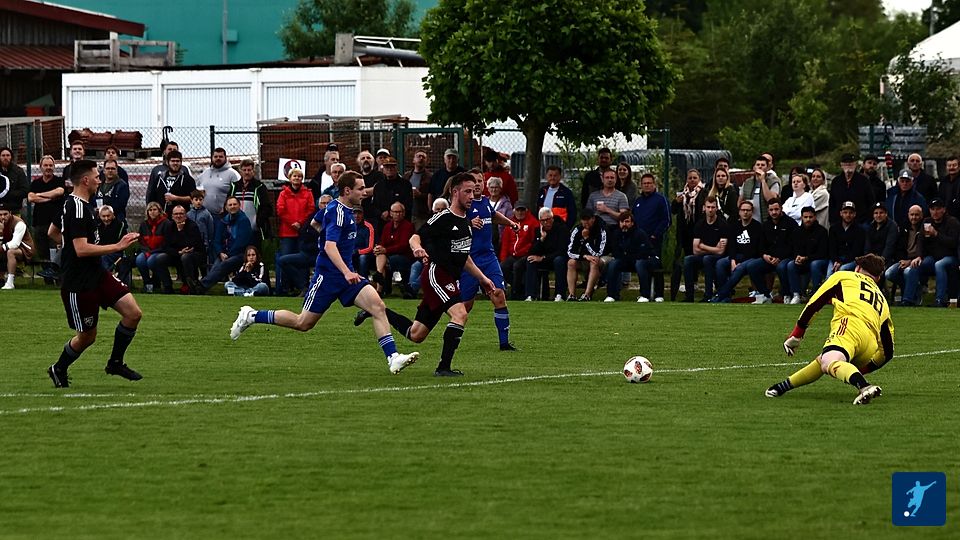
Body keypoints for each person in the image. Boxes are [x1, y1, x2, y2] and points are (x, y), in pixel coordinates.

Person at [229, 171, 420, 375]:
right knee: (303, 323)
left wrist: (343, 264)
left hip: (347, 276)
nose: (365, 192)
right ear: (347, 191)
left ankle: (393, 357)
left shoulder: (339, 208)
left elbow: (315, 223)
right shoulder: (338, 213)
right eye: (360, 188)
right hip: (328, 277)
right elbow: (330, 246)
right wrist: (345, 270)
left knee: (378, 307)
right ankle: (251, 315)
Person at [355, 172, 496, 376]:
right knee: (460, 314)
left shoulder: (466, 222)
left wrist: (483, 278)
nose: (472, 196)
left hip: (449, 278)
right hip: (437, 275)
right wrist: (417, 248)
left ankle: (376, 311)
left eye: (473, 192)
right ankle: (443, 368)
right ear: (454, 192)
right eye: (467, 192)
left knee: (416, 334)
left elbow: (464, 257)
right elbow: (415, 237)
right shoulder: (442, 217)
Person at [46, 159, 144, 388]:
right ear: (85, 180)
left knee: (133, 313)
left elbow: (53, 231)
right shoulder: (77, 209)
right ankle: (58, 368)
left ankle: (115, 363)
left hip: (97, 273)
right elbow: (81, 249)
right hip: (78, 283)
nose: (99, 180)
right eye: (96, 176)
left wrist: (67, 246)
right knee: (88, 337)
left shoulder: (76, 203)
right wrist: (117, 246)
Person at [764, 254, 892, 406]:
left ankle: (864, 387)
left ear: (858, 268)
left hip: (850, 327)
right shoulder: (883, 301)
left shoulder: (843, 276)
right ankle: (781, 387)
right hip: (869, 345)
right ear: (877, 278)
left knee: (828, 361)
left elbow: (814, 304)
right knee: (824, 360)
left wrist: (797, 335)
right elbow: (887, 352)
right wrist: (864, 368)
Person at [709, 201, 767, 303]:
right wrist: (733, 260)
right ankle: (726, 296)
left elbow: (756, 249)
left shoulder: (757, 227)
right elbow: (732, 246)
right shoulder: (734, 226)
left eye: (748, 210)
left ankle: (720, 295)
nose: (745, 212)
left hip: (751, 258)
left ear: (752, 212)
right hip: (736, 256)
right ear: (739, 212)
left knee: (739, 269)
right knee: (720, 263)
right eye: (743, 210)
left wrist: (740, 262)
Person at [194, 196, 252, 294]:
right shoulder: (223, 221)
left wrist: (228, 254)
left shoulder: (244, 221)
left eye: (235, 204)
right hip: (224, 253)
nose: (232, 206)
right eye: (230, 205)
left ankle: (201, 286)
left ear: (239, 206)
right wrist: (220, 252)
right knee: (216, 266)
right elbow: (216, 240)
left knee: (224, 264)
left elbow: (241, 242)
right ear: (226, 207)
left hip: (240, 254)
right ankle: (201, 288)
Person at [275, 167, 316, 295]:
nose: (297, 178)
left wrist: (300, 223)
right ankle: (286, 288)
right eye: (294, 176)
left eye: (299, 176)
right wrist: (293, 223)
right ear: (290, 178)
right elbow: (280, 210)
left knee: (302, 261)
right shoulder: (283, 193)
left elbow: (310, 209)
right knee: (285, 259)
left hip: (303, 233)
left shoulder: (308, 193)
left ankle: (303, 287)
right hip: (287, 232)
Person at [913, 198, 960, 307]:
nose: (935, 212)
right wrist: (919, 256)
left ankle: (940, 300)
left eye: (938, 209)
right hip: (933, 257)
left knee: (939, 264)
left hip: (950, 257)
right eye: (932, 209)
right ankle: (909, 299)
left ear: (944, 210)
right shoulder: (927, 221)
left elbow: (953, 243)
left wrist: (936, 234)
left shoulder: (952, 222)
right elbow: (920, 240)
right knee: (915, 265)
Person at [603, 211, 658, 302]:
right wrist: (625, 256)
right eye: (622, 222)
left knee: (640, 264)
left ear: (632, 223)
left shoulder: (640, 234)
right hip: (625, 260)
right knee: (613, 263)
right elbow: (615, 252)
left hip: (642, 260)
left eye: (627, 221)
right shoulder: (616, 234)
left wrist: (628, 256)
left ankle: (644, 295)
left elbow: (644, 252)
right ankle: (612, 295)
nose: (624, 224)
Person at [28, 155, 66, 280]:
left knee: (55, 250)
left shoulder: (59, 181)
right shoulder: (36, 183)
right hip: (39, 222)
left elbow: (59, 192)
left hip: (55, 224)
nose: (48, 167)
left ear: (54, 167)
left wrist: (39, 195)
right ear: (40, 167)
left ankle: (57, 277)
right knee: (42, 252)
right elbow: (31, 198)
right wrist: (50, 198)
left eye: (50, 165)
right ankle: (47, 280)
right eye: (45, 165)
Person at [682, 196, 727, 302]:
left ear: (716, 208)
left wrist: (703, 246)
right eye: (708, 207)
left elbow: (721, 251)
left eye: (713, 207)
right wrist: (713, 248)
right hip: (704, 255)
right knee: (688, 260)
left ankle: (708, 295)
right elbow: (695, 250)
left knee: (707, 259)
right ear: (704, 208)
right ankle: (689, 297)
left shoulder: (722, 224)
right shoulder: (700, 224)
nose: (710, 210)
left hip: (717, 257)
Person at [156, 204, 206, 294]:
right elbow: (166, 246)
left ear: (185, 215)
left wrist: (181, 230)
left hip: (193, 254)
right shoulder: (169, 226)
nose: (178, 216)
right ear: (172, 216)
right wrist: (178, 252)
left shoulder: (192, 226)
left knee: (185, 257)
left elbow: (191, 245)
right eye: (176, 214)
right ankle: (167, 286)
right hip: (176, 254)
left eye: (181, 214)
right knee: (160, 258)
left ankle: (190, 285)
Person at [524, 207, 570, 301]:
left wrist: (543, 258)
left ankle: (560, 294)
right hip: (544, 259)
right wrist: (541, 239)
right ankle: (531, 295)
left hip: (557, 258)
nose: (546, 222)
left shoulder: (562, 229)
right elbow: (532, 251)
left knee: (559, 260)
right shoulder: (538, 231)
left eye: (548, 219)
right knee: (530, 260)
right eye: (543, 220)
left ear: (552, 218)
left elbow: (562, 250)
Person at [786, 207, 830, 305]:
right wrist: (797, 258)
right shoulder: (797, 231)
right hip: (803, 261)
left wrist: (806, 258)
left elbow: (823, 252)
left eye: (810, 217)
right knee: (790, 265)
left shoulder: (822, 231)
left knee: (814, 264)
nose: (808, 219)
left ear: (815, 217)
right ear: (801, 217)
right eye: (805, 217)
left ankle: (816, 293)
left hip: (819, 260)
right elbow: (793, 249)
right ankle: (796, 295)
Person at [371, 202, 415, 297]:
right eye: (395, 212)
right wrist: (378, 248)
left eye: (400, 212)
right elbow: (382, 242)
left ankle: (379, 285)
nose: (397, 214)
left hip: (404, 256)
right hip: (388, 255)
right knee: (380, 254)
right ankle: (379, 284)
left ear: (404, 213)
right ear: (391, 213)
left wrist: (385, 250)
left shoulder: (408, 226)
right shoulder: (387, 226)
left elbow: (404, 246)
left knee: (385, 259)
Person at [758, 199, 798, 302]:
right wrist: (764, 255)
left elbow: (793, 245)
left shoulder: (790, 223)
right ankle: (765, 294)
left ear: (781, 209)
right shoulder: (765, 225)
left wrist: (779, 258)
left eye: (776, 209)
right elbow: (761, 245)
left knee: (781, 267)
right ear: (768, 211)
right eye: (771, 210)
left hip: (787, 257)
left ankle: (786, 294)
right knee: (752, 266)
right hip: (770, 258)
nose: (774, 212)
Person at [565, 207, 607, 301]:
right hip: (584, 258)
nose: (586, 222)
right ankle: (571, 294)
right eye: (583, 219)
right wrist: (583, 256)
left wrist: (586, 239)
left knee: (594, 261)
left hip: (602, 257)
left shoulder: (601, 229)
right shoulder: (577, 230)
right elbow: (570, 251)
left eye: (588, 219)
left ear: (593, 218)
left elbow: (599, 252)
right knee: (571, 262)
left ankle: (587, 294)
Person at [229, 159, 273, 246]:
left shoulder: (259, 187)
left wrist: (257, 221)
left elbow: (267, 207)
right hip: (237, 229)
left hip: (254, 229)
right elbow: (227, 204)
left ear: (253, 171)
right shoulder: (234, 187)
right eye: (244, 170)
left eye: (249, 170)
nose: (247, 172)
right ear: (240, 171)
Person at [371, 156, 413, 238]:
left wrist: (393, 214)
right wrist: (381, 214)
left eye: (392, 166)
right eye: (387, 167)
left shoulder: (405, 185)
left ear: (396, 168)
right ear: (383, 169)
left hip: (401, 225)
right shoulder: (378, 186)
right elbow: (374, 205)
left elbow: (409, 204)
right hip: (383, 224)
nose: (389, 169)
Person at [147, 150, 196, 217]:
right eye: (173, 161)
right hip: (161, 217)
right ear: (167, 162)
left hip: (179, 217)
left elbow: (193, 198)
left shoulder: (187, 179)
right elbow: (152, 198)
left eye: (177, 161)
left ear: (181, 163)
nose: (175, 163)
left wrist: (176, 198)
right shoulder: (159, 178)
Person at [829, 154, 874, 227]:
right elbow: (832, 204)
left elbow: (871, 202)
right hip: (839, 224)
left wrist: (867, 221)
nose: (848, 165)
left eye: (850, 163)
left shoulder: (864, 181)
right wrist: (833, 222)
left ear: (855, 164)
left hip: (860, 224)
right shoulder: (836, 182)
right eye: (846, 164)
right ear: (841, 165)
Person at [196, 147, 240, 220]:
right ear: (212, 158)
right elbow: (197, 189)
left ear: (225, 158)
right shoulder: (205, 173)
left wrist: (226, 208)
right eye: (215, 157)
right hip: (204, 215)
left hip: (223, 216)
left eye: (221, 157)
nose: (218, 158)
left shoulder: (233, 174)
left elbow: (238, 194)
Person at [135, 202, 168, 293]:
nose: (152, 212)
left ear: (159, 211)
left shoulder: (166, 223)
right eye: (150, 210)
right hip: (146, 250)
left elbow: (166, 242)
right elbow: (141, 241)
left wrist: (152, 252)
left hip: (160, 251)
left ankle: (156, 281)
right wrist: (146, 251)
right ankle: (147, 283)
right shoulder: (144, 224)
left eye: (154, 210)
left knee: (151, 261)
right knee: (140, 260)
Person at [827, 201, 866, 277]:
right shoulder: (834, 229)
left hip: (852, 260)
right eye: (845, 212)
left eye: (851, 213)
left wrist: (841, 262)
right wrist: (836, 261)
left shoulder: (860, 230)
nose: (848, 215)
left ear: (854, 214)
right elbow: (832, 248)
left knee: (842, 270)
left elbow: (856, 251)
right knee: (829, 274)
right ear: (841, 213)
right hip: (836, 259)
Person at [0, 204, 34, 289]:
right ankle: (1, 279)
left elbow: (15, 243)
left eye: (5, 214)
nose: (3, 217)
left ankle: (10, 283)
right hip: (6, 246)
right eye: (0, 215)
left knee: (11, 252)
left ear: (10, 213)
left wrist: (1, 248)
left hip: (25, 249)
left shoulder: (19, 223)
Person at [96, 205, 132, 285]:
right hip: (100, 252)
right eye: (103, 216)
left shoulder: (120, 226)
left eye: (108, 216)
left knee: (104, 258)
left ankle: (105, 282)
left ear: (113, 215)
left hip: (116, 253)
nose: (106, 219)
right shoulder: (97, 226)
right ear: (99, 216)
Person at [739, 155, 780, 223]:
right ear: (754, 167)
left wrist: (763, 180)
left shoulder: (773, 181)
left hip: (767, 220)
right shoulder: (747, 182)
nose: (760, 167)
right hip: (750, 221)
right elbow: (740, 202)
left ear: (767, 168)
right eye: (758, 165)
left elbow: (771, 200)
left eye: (763, 165)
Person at [589, 168, 630, 232]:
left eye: (612, 178)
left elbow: (624, 217)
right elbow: (587, 215)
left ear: (616, 180)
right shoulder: (593, 196)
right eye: (607, 177)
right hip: (596, 229)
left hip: (614, 229)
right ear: (602, 179)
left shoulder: (621, 196)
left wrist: (607, 210)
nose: (609, 180)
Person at [864, 202, 898, 274]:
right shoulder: (871, 226)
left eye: (881, 213)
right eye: (876, 213)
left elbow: (889, 247)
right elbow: (867, 246)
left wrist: (879, 261)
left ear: (886, 214)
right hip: (873, 260)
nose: (878, 215)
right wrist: (868, 260)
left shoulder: (892, 226)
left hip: (887, 260)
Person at [428, 148, 465, 214]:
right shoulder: (437, 175)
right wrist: (431, 209)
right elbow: (431, 193)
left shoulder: (464, 174)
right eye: (449, 158)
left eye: (454, 158)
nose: (451, 160)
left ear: (457, 160)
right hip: (440, 209)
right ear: (444, 159)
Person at [96, 158, 130, 225]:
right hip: (100, 221)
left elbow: (120, 205)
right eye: (108, 168)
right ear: (104, 171)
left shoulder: (122, 185)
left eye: (113, 168)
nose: (110, 171)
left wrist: (104, 209)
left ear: (117, 171)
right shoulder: (98, 184)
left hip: (116, 221)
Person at [405, 150, 432, 229]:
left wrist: (420, 195)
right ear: (413, 160)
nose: (421, 158)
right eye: (418, 156)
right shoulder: (407, 176)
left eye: (423, 157)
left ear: (427, 161)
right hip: (408, 214)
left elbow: (432, 195)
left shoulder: (430, 177)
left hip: (422, 215)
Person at [187, 190, 215, 260]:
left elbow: (210, 229)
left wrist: (208, 241)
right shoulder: (188, 214)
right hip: (191, 242)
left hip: (203, 242)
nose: (198, 202)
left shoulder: (206, 214)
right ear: (192, 201)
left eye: (200, 199)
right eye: (196, 200)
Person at [0, 147, 29, 214]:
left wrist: (8, 194)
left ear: (11, 157)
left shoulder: (18, 171)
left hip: (14, 209)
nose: (5, 158)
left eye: (8, 155)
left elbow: (25, 191)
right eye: (3, 155)